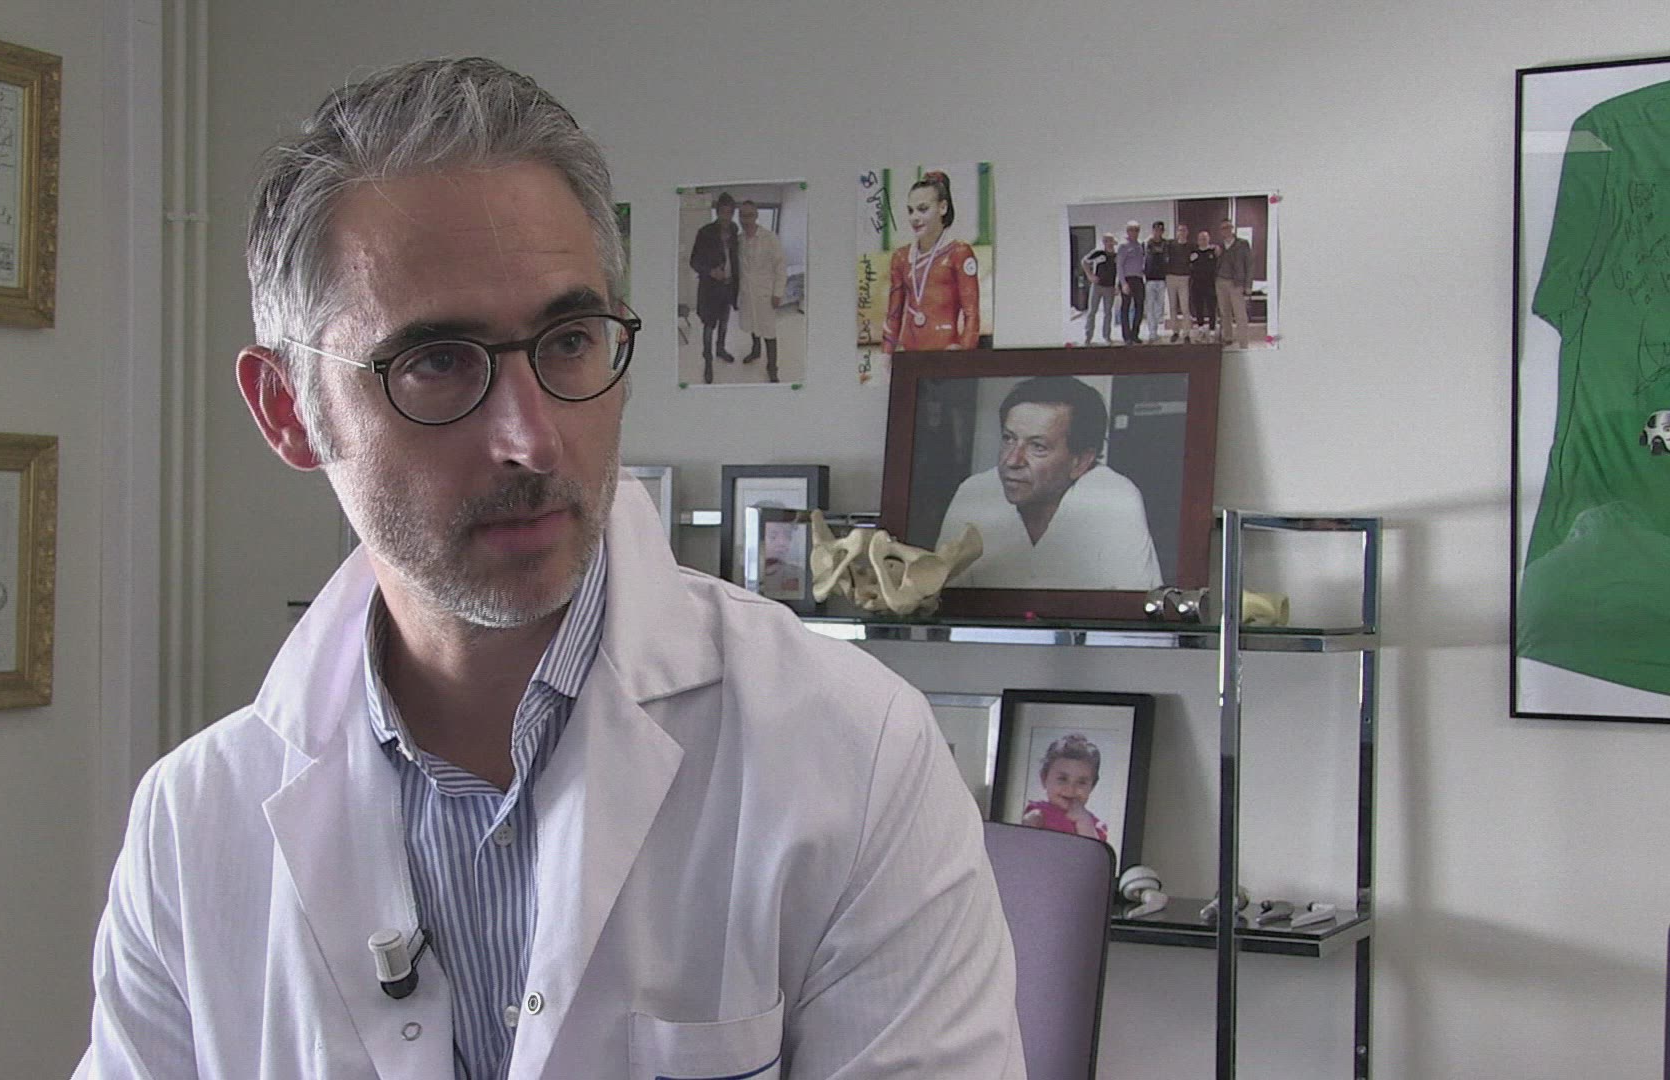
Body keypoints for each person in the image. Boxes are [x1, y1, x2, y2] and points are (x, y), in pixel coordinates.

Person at [75, 57, 1024, 1080]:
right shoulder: (192, 829)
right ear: (288, 410)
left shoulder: (853, 755)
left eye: (568, 341)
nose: (531, 440)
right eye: (438, 362)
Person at [937, 375, 1161, 590]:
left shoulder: (1114, 498)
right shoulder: (974, 492)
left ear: (1081, 461)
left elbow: (1132, 608)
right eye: (1008, 439)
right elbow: (940, 598)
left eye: (1038, 446)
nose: (1012, 460)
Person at [883, 170, 981, 354]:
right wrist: (885, 358)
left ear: (942, 208)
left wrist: (964, 354)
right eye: (910, 210)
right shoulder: (901, 257)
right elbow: (893, 316)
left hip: (945, 353)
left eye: (923, 209)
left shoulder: (959, 253)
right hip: (910, 355)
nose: (914, 218)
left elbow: (972, 313)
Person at [688, 191, 740, 380]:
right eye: (723, 212)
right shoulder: (705, 232)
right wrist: (710, 271)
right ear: (717, 212)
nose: (726, 216)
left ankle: (720, 349)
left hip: (728, 287)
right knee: (709, 325)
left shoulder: (734, 230)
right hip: (710, 289)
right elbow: (694, 261)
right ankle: (708, 361)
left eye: (730, 212)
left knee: (724, 322)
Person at [1020, 734, 1107, 842]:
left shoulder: (1095, 826)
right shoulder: (1038, 814)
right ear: (1044, 779)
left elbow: (1093, 851)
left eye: (1081, 782)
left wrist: (1084, 823)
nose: (1071, 789)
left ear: (1092, 786)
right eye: (1062, 779)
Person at [736, 199, 786, 382]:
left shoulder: (770, 238)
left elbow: (780, 267)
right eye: (742, 215)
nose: (746, 219)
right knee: (752, 323)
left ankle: (772, 367)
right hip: (747, 292)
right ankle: (755, 351)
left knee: (768, 330)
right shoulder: (739, 239)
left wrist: (778, 293)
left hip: (765, 292)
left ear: (756, 215)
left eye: (749, 215)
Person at [1216, 217, 1252, 348]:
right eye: (1223, 228)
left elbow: (1249, 265)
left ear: (1232, 228)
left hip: (1236, 283)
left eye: (1228, 227)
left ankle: (1243, 342)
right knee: (1225, 313)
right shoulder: (1219, 246)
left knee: (1240, 314)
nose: (1225, 230)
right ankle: (1228, 337)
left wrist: (1248, 285)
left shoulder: (1242, 244)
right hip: (1221, 282)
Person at [1080, 233, 1118, 345]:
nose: (1109, 243)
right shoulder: (1098, 253)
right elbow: (1084, 261)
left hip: (1110, 287)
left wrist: (1117, 286)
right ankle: (1088, 337)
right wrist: (1090, 275)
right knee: (1092, 311)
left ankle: (1107, 336)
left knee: (1108, 313)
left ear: (1113, 242)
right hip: (1097, 286)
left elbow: (1119, 271)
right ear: (1103, 242)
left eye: (1110, 240)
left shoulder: (1117, 256)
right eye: (1106, 241)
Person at [1115, 221, 1147, 344]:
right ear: (1127, 231)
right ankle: (1126, 336)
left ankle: (1135, 334)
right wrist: (1123, 283)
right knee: (1126, 307)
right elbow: (1119, 265)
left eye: (1136, 230)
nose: (1134, 233)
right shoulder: (1123, 246)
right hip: (1127, 279)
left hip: (1138, 279)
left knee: (1140, 307)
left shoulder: (1140, 246)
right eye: (1132, 230)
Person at [1163, 223, 1192, 343]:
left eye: (1184, 230)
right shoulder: (1170, 244)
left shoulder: (1191, 246)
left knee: (1185, 307)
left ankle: (1186, 333)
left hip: (1184, 278)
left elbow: (1202, 250)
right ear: (1177, 232)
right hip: (1171, 277)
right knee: (1172, 306)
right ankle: (1175, 332)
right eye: (1180, 230)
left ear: (1187, 232)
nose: (1182, 232)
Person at [1188, 229, 1219, 341]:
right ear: (1198, 240)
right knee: (1198, 307)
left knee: (1211, 307)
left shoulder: (1214, 251)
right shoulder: (1193, 253)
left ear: (1209, 239)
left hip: (1210, 284)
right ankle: (1200, 328)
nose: (1203, 240)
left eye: (1205, 238)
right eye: (1201, 239)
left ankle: (1212, 329)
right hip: (1197, 284)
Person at [1143, 221, 1169, 343]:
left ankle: (1157, 327)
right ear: (1153, 230)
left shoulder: (1166, 244)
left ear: (1163, 231)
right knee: (1150, 307)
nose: (1158, 232)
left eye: (1160, 230)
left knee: (1160, 307)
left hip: (1162, 279)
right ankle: (1152, 333)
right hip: (1150, 279)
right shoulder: (1146, 243)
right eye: (1156, 229)